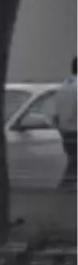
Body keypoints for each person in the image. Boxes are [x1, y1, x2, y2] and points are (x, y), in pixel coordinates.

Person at [55, 55, 78, 188]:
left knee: (74, 162)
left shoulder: (64, 85)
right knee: (74, 164)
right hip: (76, 130)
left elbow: (56, 113)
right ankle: (64, 189)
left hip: (66, 132)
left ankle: (65, 187)